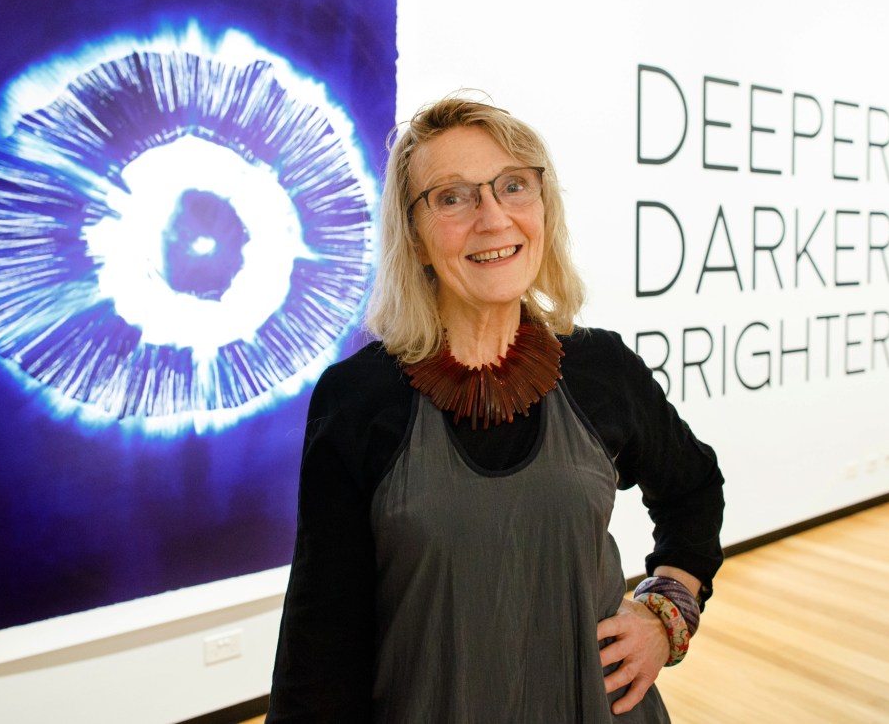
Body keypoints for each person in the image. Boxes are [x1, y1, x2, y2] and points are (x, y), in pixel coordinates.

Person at [266, 94, 724, 722]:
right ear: (416, 237)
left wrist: (665, 613)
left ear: (543, 207)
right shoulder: (358, 399)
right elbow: (320, 643)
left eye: (514, 186)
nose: (493, 218)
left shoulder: (601, 370)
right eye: (452, 197)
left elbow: (694, 489)